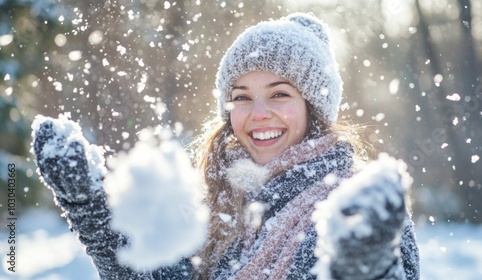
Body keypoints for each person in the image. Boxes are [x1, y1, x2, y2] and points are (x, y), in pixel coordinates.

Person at [32, 13, 419, 279]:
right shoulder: (212, 202)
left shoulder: (358, 208)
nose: (259, 113)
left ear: (312, 107)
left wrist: (367, 267)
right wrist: (92, 210)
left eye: (279, 93)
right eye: (242, 97)